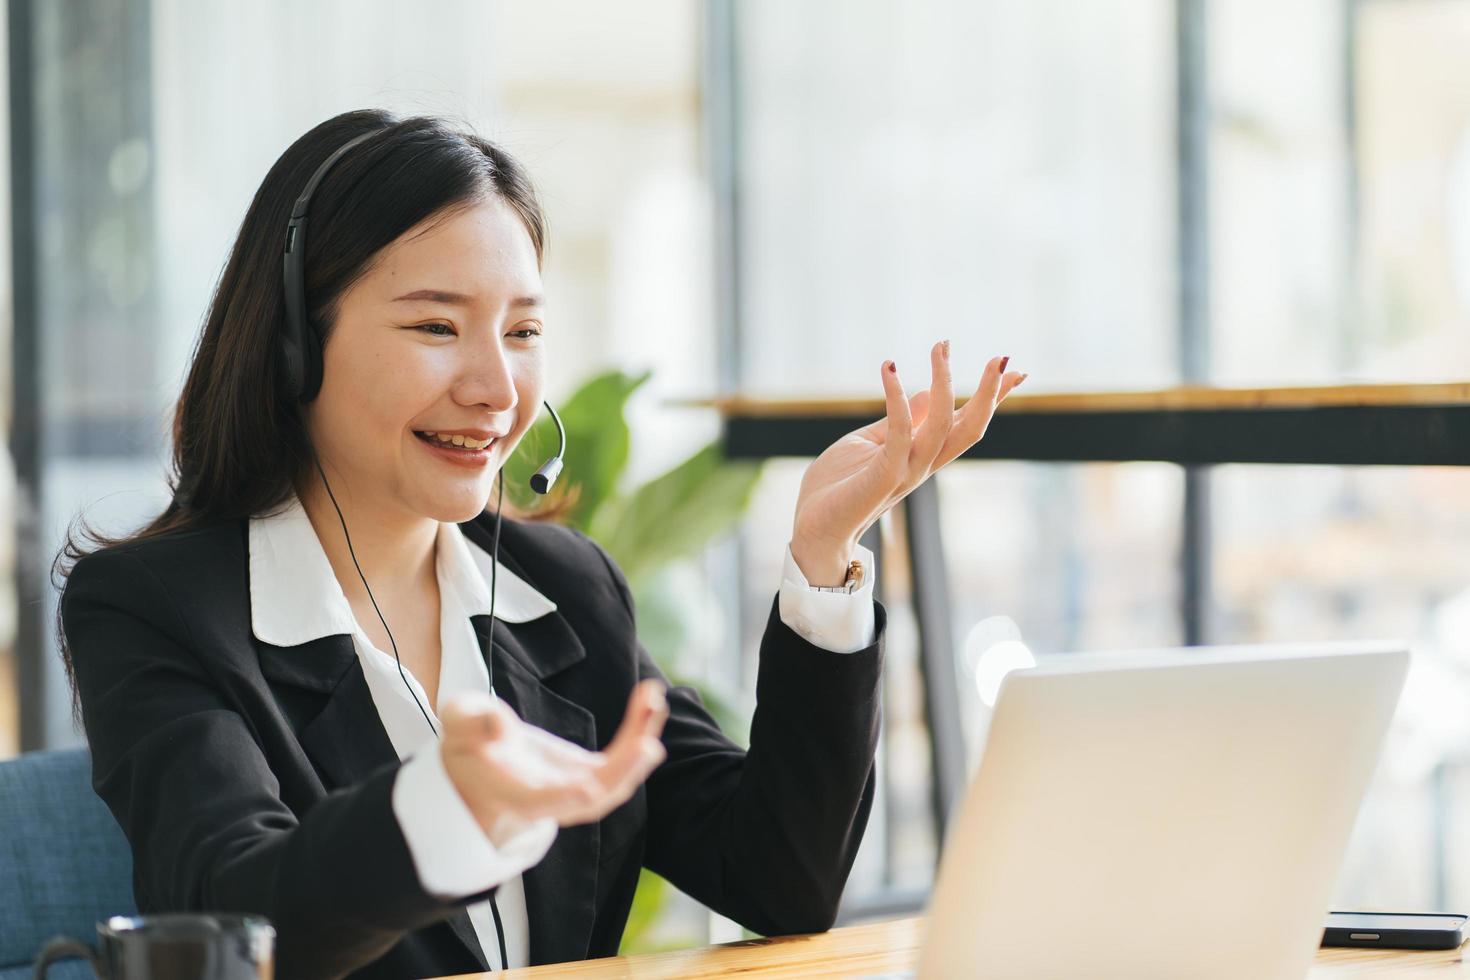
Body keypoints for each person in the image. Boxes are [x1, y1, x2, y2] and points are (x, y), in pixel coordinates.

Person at [54, 108, 1026, 980]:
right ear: (293, 346)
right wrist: (445, 806)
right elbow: (233, 915)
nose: (497, 387)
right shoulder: (156, 607)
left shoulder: (560, 588)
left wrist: (822, 556)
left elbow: (780, 877)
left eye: (522, 330)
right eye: (437, 325)